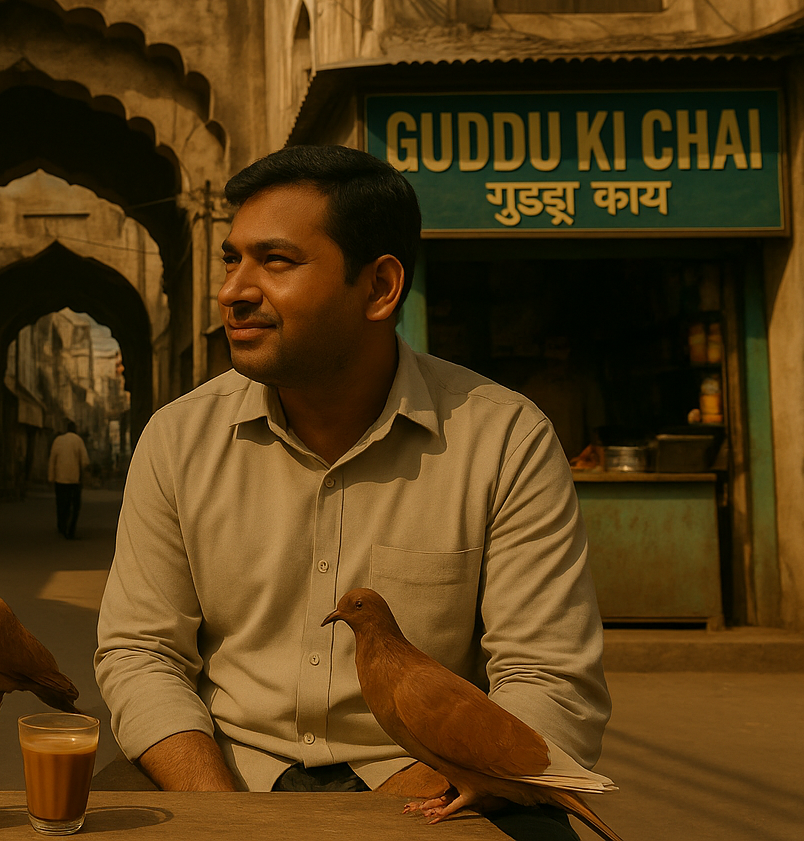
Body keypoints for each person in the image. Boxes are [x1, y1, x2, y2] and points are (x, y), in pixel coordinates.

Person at [94, 145, 609, 840]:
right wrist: (220, 811)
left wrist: (424, 787)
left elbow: (546, 676)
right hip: (228, 766)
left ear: (379, 288)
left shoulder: (503, 438)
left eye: (275, 262)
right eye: (230, 259)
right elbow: (141, 652)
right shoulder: (179, 439)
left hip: (432, 780)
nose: (233, 292)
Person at [47, 421, 89, 539]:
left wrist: (51, 477)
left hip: (60, 479)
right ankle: (71, 530)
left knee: (61, 504)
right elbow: (85, 461)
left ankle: (62, 526)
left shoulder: (58, 440)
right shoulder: (78, 440)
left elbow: (52, 460)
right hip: (74, 479)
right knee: (75, 505)